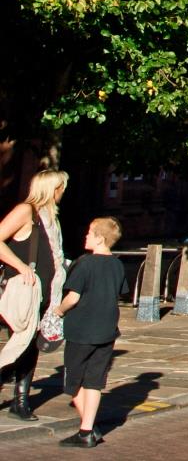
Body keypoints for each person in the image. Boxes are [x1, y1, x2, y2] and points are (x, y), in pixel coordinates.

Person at [0, 169, 68, 421]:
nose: (63, 192)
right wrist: (20, 266)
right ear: (51, 188)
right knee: (21, 342)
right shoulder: (26, 211)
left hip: (44, 293)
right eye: (61, 187)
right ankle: (19, 400)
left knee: (31, 345)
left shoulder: (51, 218)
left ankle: (20, 401)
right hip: (22, 291)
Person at [51, 216, 124, 449]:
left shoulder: (85, 263)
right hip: (106, 330)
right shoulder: (118, 264)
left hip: (82, 329)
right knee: (94, 382)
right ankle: (87, 429)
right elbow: (118, 293)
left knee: (73, 382)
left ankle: (88, 429)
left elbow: (73, 297)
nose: (86, 235)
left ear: (100, 238)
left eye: (90, 232)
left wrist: (58, 311)